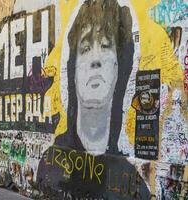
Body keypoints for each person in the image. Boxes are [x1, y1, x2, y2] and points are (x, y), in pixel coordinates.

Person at [36, 0, 151, 199]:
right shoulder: (51, 162)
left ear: (119, 67)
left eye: (106, 46)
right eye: (86, 48)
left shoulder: (133, 182)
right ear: (72, 69)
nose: (95, 60)